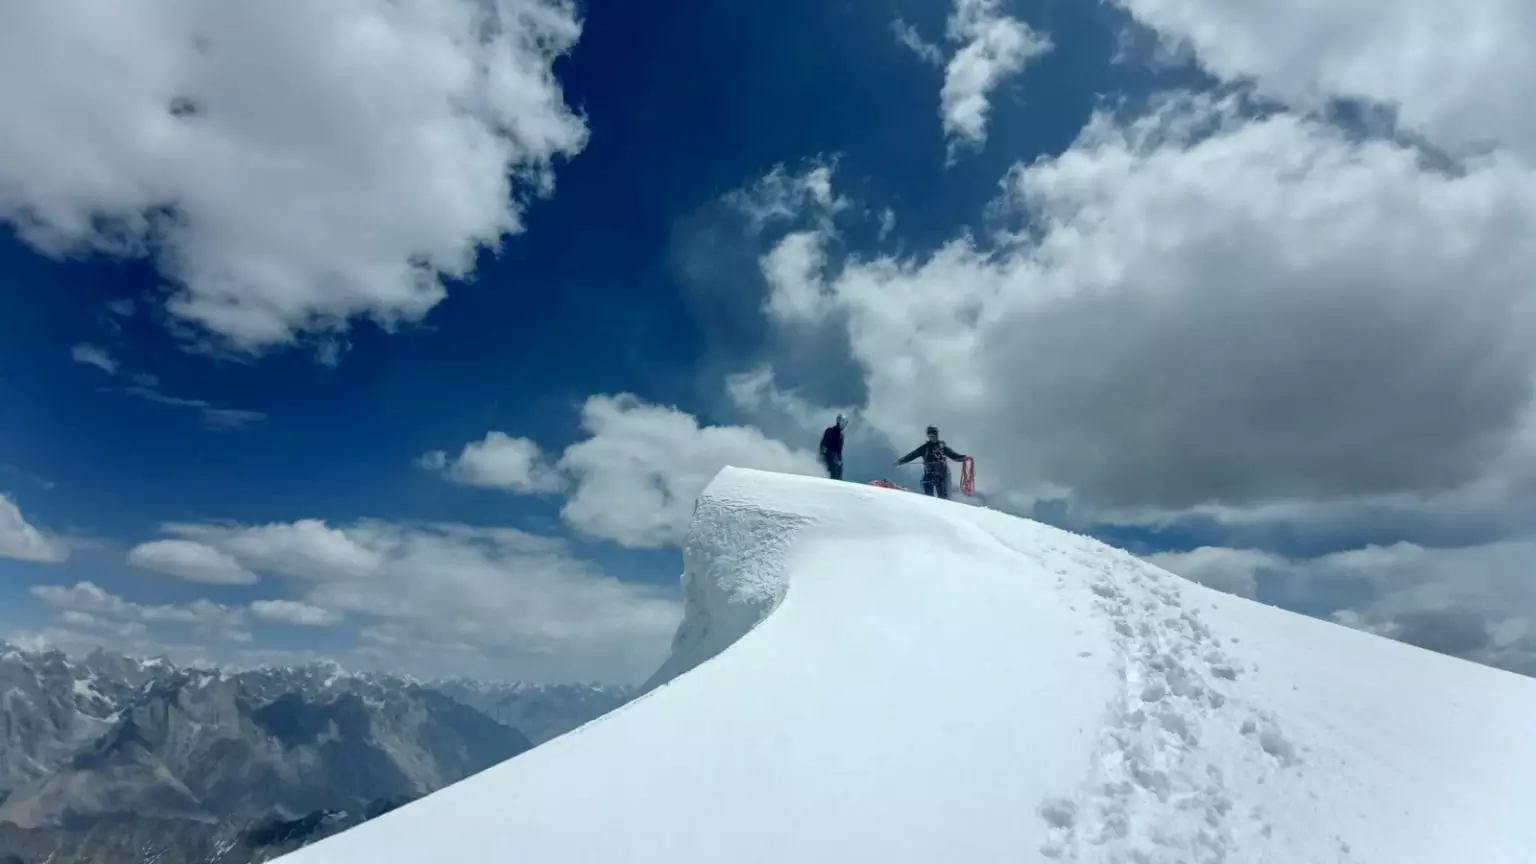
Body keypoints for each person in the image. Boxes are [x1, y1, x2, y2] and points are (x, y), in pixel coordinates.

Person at [894, 425, 968, 499]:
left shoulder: (942, 447)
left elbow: (953, 455)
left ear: (937, 435)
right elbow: (912, 455)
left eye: (934, 435)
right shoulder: (925, 448)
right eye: (930, 436)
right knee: (929, 497)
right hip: (929, 475)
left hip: (941, 476)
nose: (932, 438)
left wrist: (963, 458)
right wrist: (901, 461)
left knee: (943, 498)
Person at [819, 413, 848, 480]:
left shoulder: (841, 436)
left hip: (836, 457)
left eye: (845, 423)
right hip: (829, 454)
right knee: (834, 466)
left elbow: (839, 450)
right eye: (843, 422)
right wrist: (822, 453)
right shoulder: (830, 431)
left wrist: (840, 459)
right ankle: (833, 482)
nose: (844, 425)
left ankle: (838, 482)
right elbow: (824, 443)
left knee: (839, 467)